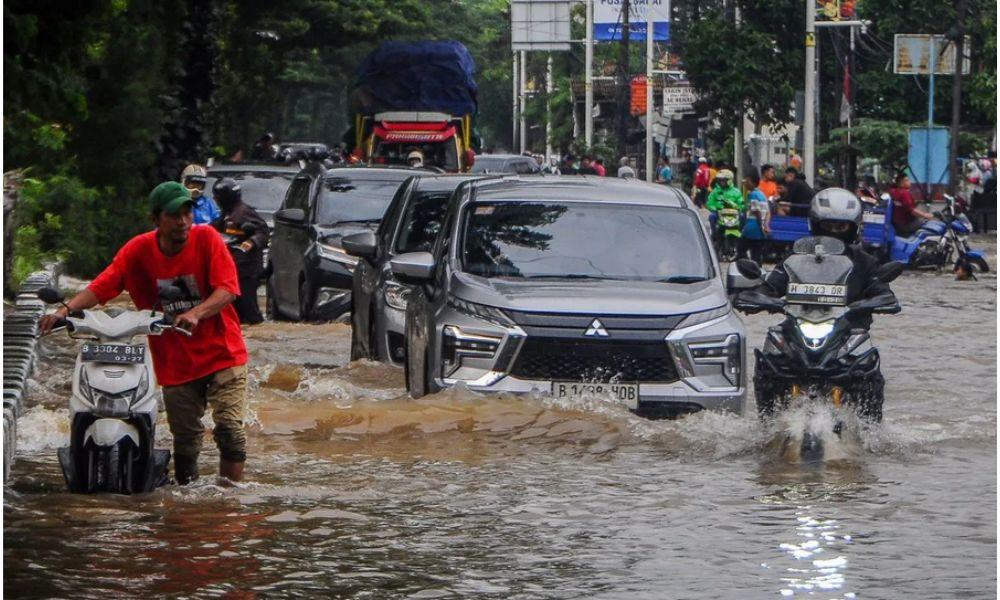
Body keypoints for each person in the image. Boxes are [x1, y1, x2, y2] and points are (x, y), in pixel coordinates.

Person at [38, 181, 249, 484]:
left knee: (229, 430)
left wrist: (195, 313)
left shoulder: (207, 240)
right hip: (176, 362)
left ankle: (230, 497)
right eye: (174, 215)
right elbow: (103, 285)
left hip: (222, 354)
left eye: (187, 213)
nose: (182, 222)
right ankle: (189, 498)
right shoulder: (138, 250)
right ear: (155, 220)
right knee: (186, 442)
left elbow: (228, 289)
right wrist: (64, 311)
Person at [754, 187, 897, 329]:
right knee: (773, 343)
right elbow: (772, 285)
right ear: (815, 225)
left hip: (850, 333)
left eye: (841, 227)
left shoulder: (864, 261)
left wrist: (880, 300)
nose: (833, 232)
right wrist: (757, 297)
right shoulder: (797, 257)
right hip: (799, 328)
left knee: (868, 351)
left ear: (853, 228)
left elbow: (881, 290)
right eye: (828, 225)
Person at [211, 178, 269, 325]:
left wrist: (251, 242)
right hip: (233, 269)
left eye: (217, 198)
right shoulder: (226, 213)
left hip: (246, 270)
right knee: (235, 311)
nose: (215, 200)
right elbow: (215, 230)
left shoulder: (244, 213)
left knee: (249, 310)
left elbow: (263, 231)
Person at [738, 171, 770, 263]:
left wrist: (761, 226)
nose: (746, 184)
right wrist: (765, 225)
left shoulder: (753, 195)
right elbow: (768, 212)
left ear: (752, 182)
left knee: (741, 249)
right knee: (756, 254)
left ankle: (748, 268)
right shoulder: (762, 195)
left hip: (753, 228)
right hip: (759, 229)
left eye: (747, 181)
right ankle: (757, 272)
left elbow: (757, 211)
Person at [706, 169, 744, 242]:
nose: (721, 182)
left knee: (742, 216)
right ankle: (714, 235)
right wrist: (716, 208)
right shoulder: (715, 191)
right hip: (719, 213)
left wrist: (738, 207)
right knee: (712, 216)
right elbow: (709, 203)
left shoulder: (736, 192)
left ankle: (741, 235)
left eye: (723, 180)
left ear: (729, 180)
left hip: (733, 214)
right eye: (720, 180)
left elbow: (741, 204)